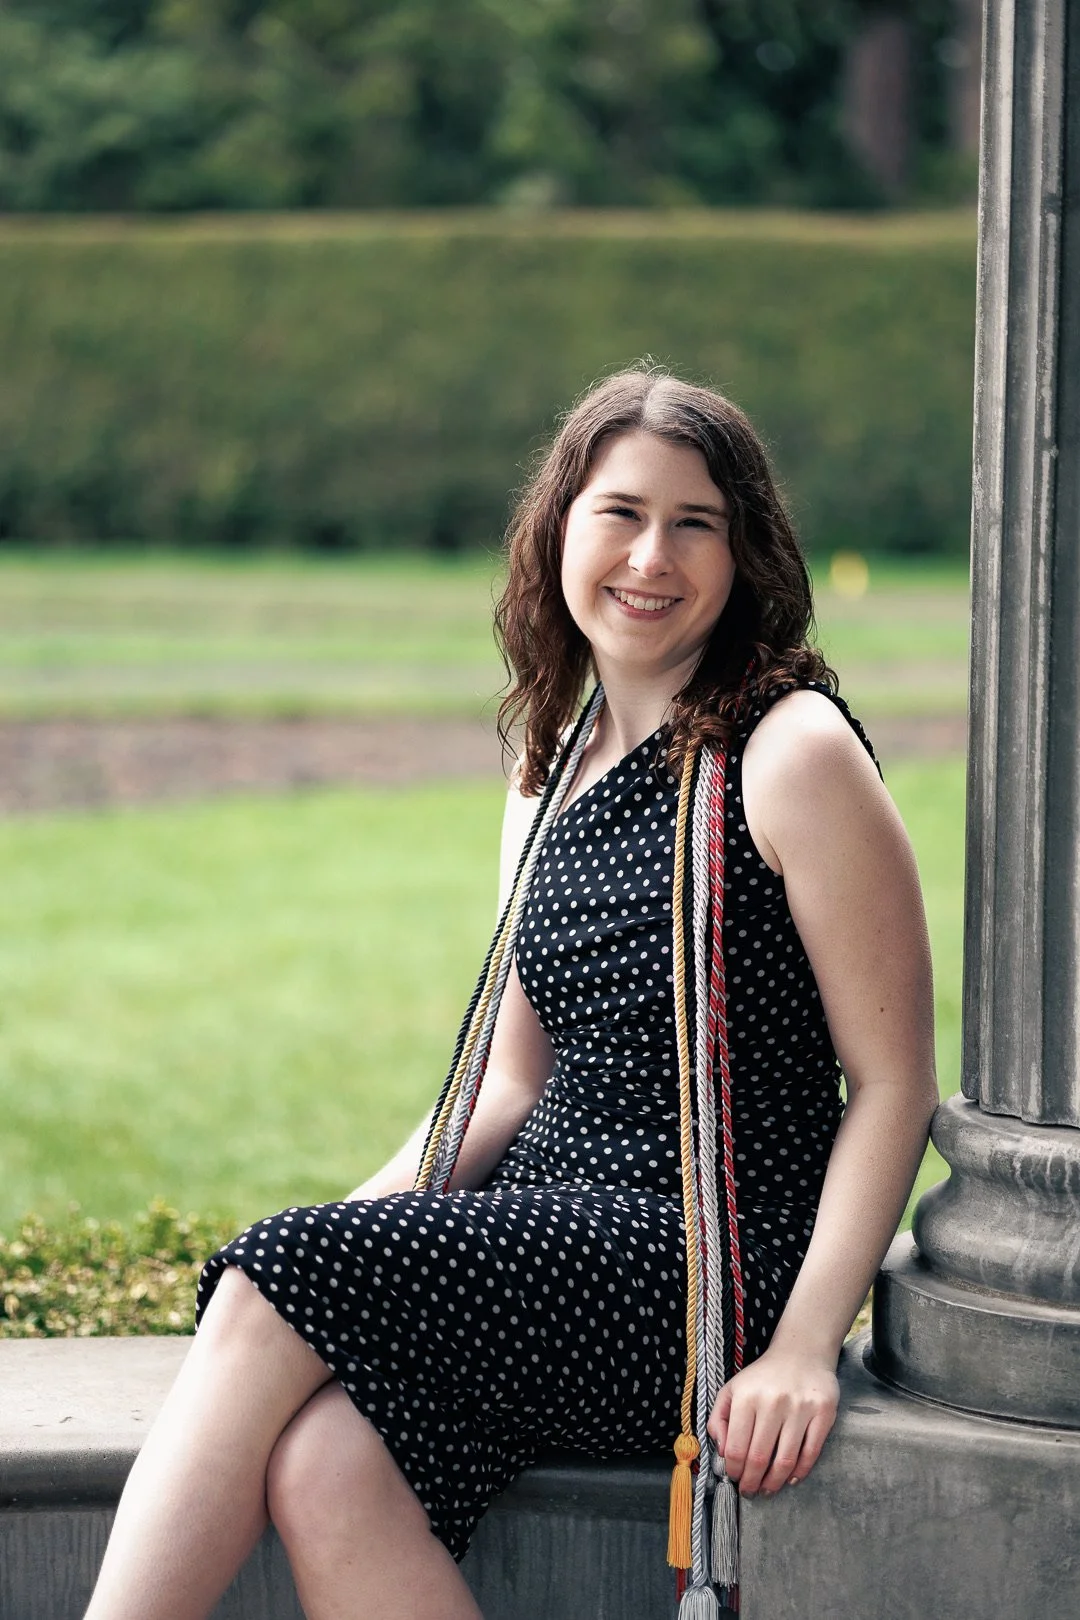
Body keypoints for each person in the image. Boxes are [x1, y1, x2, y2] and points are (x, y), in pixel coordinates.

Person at [84, 369, 938, 1620]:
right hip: (550, 1233)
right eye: (621, 512)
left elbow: (896, 1080)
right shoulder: (550, 761)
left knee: (270, 1282)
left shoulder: (788, 750)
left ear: (746, 551)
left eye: (697, 523)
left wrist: (806, 1345)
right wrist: (361, 1224)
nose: (654, 555)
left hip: (697, 1265)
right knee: (327, 1466)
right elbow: (509, 1080)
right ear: (559, 532)